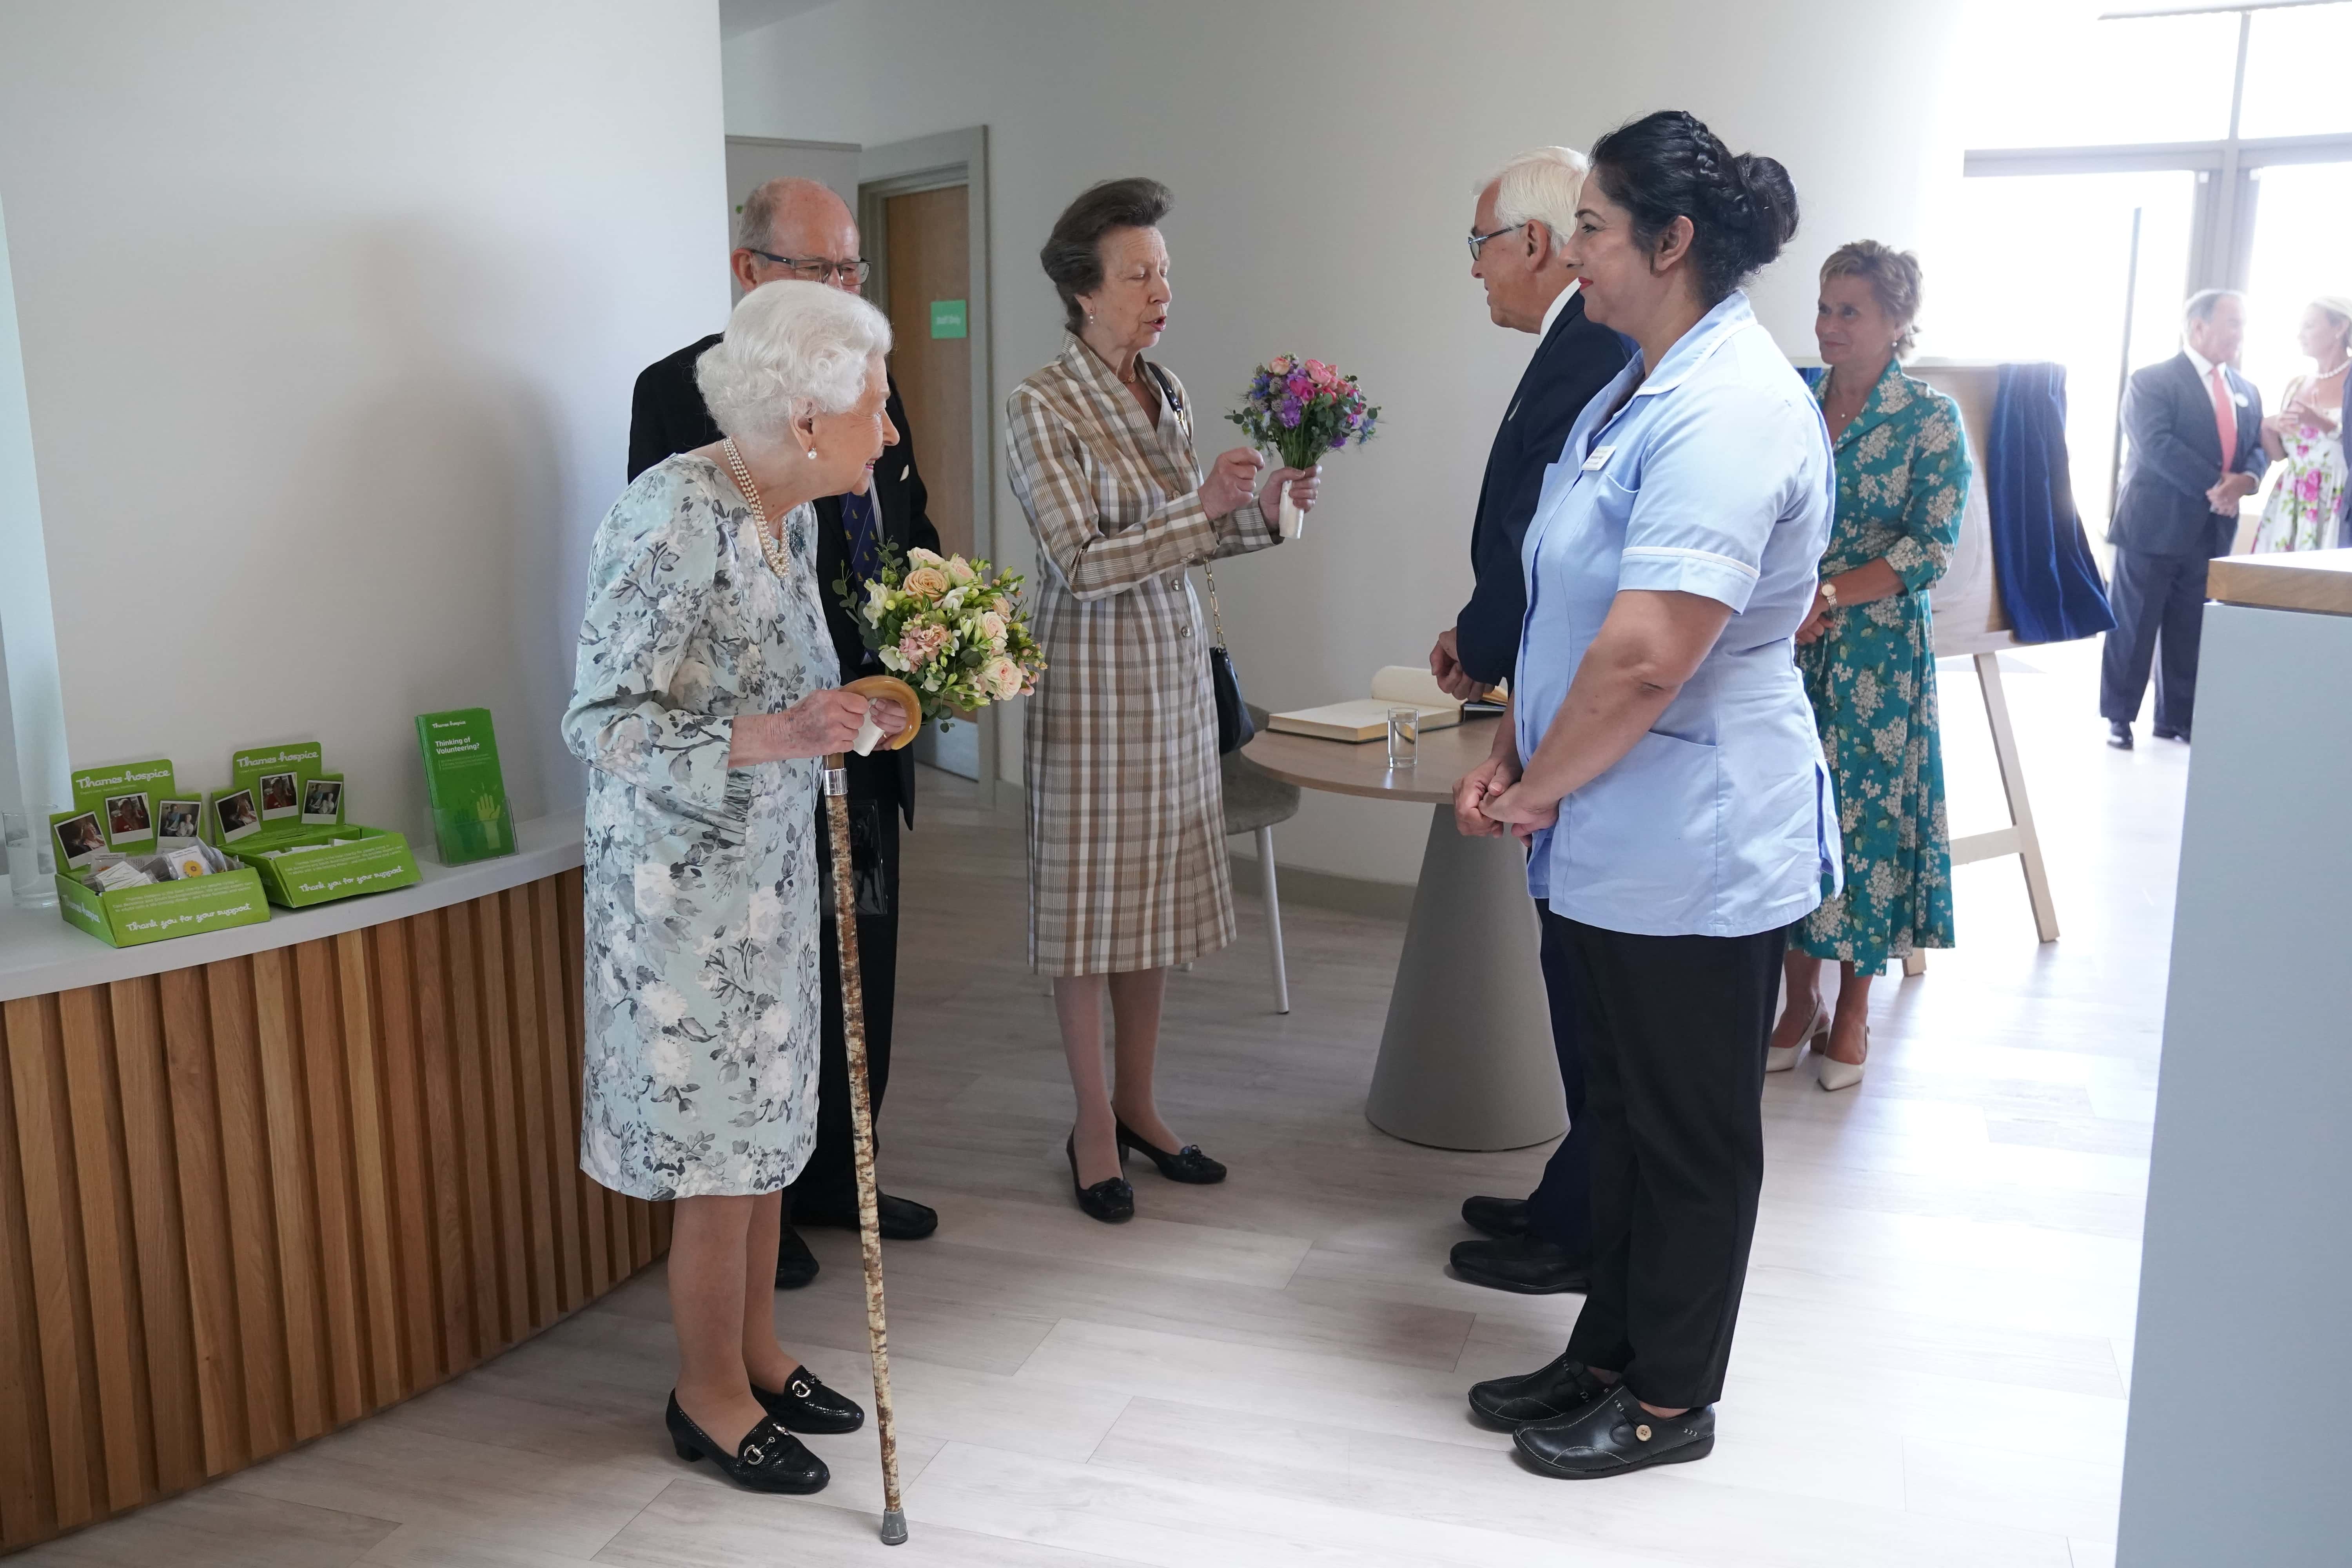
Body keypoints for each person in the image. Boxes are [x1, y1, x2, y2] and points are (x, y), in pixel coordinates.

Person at [1460, 109, 1837, 1479]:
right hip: (1608, 819)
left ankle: (1674, 1400)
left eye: (1600, 232)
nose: (1578, 257)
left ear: (1672, 243)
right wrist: (1514, 743)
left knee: (1687, 1134)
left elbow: (1649, 653)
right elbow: (1568, 605)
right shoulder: (1638, 383)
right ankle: (1605, 1351)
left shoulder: (1733, 407)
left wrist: (1528, 791)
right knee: (1616, 1115)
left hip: (1696, 834)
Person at [565, 280, 910, 1494]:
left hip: (764, 884)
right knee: (718, 1160)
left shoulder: (791, 512)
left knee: (768, 1136)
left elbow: (779, 686)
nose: (892, 427)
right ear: (806, 417)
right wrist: (777, 735)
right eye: (874, 402)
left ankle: (758, 1350)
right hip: (681, 907)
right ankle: (703, 1391)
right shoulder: (669, 516)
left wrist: (846, 714)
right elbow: (601, 723)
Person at [629, 176, 940, 1289]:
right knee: (766, 1022)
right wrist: (776, 729)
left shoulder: (860, 395)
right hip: (749, 789)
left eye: (851, 270)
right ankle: (769, 1225)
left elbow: (908, 542)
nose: (841, 289)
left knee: (862, 971)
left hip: (853, 735)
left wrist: (928, 658)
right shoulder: (685, 428)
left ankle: (837, 1177)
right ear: (749, 271)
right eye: (818, 270)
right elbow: (649, 678)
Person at [1004, 177, 1318, 1222]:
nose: (1159, 289)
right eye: (1138, 274)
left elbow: (1192, 542)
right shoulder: (1039, 406)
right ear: (1082, 291)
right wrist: (1202, 506)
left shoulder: (1166, 388)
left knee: (1152, 916)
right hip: (1093, 688)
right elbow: (1083, 563)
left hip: (1175, 676)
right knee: (1090, 919)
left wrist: (1262, 510)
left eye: (1165, 272)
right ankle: (1093, 1124)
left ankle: (1141, 1105)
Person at [1430, 147, 1632, 1298]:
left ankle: (1582, 1225)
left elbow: (1533, 533)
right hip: (1546, 698)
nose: (1474, 273)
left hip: (1584, 725)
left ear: (1537, 244)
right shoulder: (1575, 346)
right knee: (1570, 978)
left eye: (1477, 246)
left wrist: (1487, 637)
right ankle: (1570, 1198)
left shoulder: (1588, 349)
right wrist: (1483, 637)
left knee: (1586, 988)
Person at [1769, 241, 1969, 1091]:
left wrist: (1829, 596)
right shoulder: (1792, 402)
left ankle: (1853, 1008)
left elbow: (1931, 546)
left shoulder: (1930, 417)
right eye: (1824, 307)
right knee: (1787, 816)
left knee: (1864, 826)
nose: (1829, 325)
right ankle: (1797, 999)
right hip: (1787, 642)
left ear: (1897, 322)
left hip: (1877, 653)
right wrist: (1784, 600)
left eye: (1850, 311)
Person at [2101, 290, 2267, 748]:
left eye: (2243, 324)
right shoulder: (2151, 381)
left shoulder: (2247, 390)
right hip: (2154, 524)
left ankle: (2176, 718)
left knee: (2191, 628)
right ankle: (2120, 717)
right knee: (2134, 626)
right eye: (2232, 322)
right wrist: (2218, 485)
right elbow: (2156, 446)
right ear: (2198, 327)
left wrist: (2248, 479)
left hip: (2211, 530)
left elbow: (2255, 446)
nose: (2240, 333)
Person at [2250, 296, 2352, 554]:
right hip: (2293, 496)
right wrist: (2268, 427)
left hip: (2336, 495)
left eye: (2309, 326)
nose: (2300, 335)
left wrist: (2320, 422)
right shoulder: (2296, 384)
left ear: (2340, 328)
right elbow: (2280, 456)